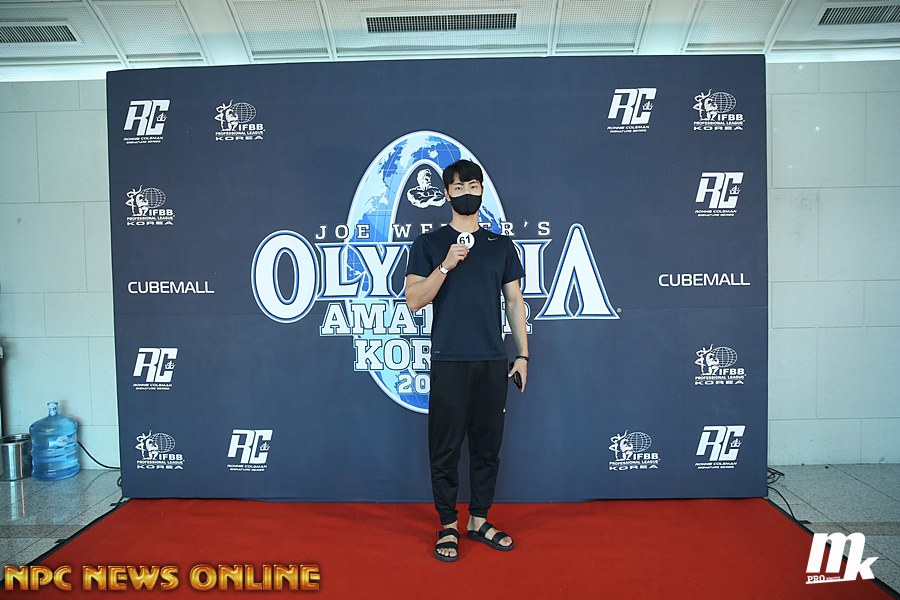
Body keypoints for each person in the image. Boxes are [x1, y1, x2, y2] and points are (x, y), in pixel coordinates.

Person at [405, 159, 529, 562]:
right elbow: (414, 300)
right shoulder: (428, 244)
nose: (466, 193)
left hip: (492, 360)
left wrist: (522, 354)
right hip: (450, 359)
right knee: (445, 448)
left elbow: (514, 302)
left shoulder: (500, 246)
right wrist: (445, 265)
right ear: (447, 194)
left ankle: (478, 519)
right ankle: (447, 525)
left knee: (487, 447)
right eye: (458, 188)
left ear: (481, 190)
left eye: (473, 186)